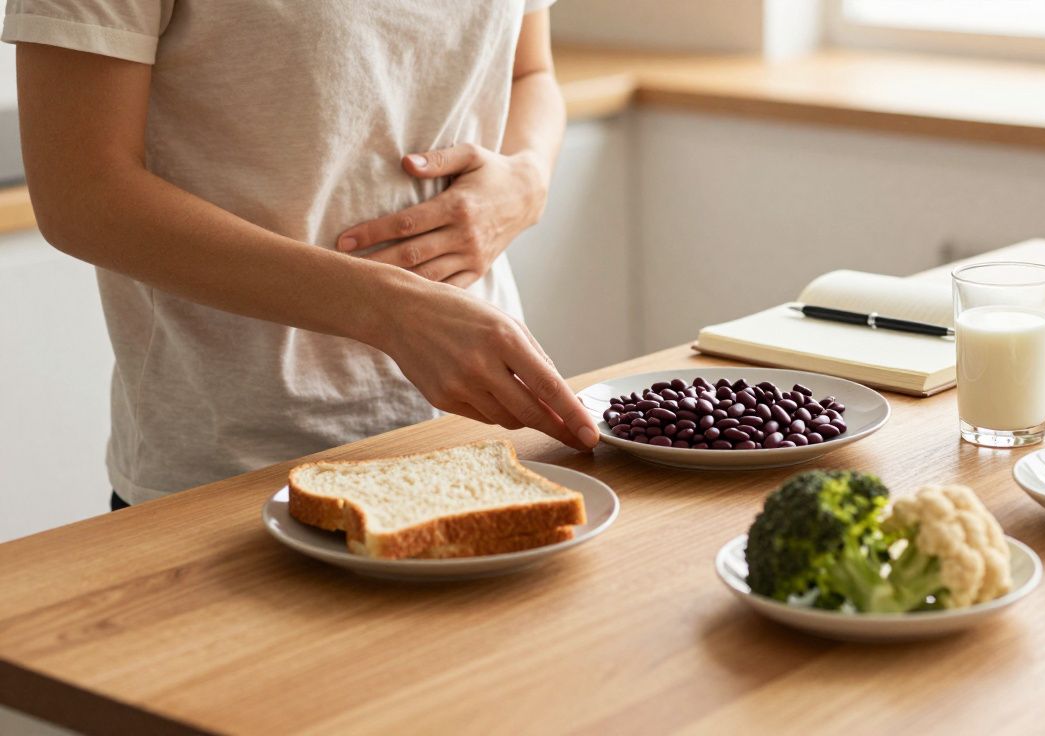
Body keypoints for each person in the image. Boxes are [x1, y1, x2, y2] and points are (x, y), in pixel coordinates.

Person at [4, 0, 599, 509]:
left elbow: (531, 74)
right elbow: (81, 194)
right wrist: (392, 311)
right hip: (235, 466)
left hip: (481, 437)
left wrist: (527, 178)